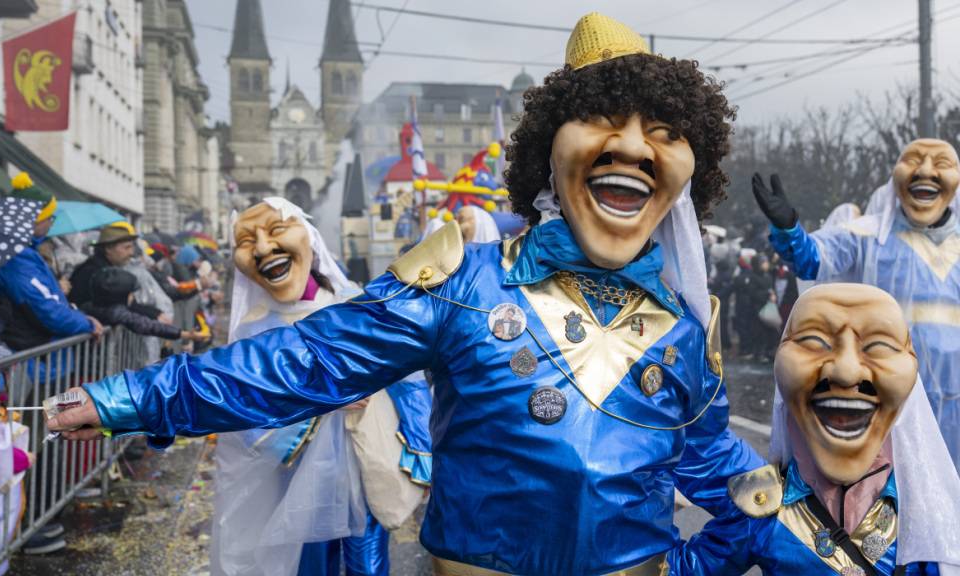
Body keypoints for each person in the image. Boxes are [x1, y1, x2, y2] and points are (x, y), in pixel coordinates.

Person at [48, 13, 762, 575]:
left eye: (663, 132)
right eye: (604, 124)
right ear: (550, 148)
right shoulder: (464, 281)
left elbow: (725, 476)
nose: (633, 148)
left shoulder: (679, 327)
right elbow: (308, 359)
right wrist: (131, 398)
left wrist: (803, 540)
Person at [670, 284, 960, 574]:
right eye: (813, 341)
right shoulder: (765, 509)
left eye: (879, 346)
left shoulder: (924, 512)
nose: (846, 372)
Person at [209, 198, 431, 576]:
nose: (263, 248)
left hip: (365, 464)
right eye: (247, 242)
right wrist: (320, 401)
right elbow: (246, 416)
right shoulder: (252, 331)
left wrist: (421, 447)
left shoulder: (354, 306)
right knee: (311, 562)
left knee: (368, 560)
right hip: (299, 479)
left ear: (309, 240)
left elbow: (405, 377)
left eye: (276, 231)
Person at [753, 139, 960, 470]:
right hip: (887, 392)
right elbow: (813, 259)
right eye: (914, 160)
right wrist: (789, 229)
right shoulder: (867, 237)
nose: (925, 171)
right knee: (892, 490)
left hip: (955, 406)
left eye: (942, 164)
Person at [0, 173, 102, 352]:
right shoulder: (16, 257)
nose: (51, 223)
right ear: (34, 220)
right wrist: (86, 323)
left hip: (38, 353)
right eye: (50, 217)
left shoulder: (24, 251)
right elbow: (46, 309)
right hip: (34, 355)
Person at [79, 268, 206, 343]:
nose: (133, 297)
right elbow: (147, 325)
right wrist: (184, 334)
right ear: (118, 296)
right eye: (129, 293)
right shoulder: (115, 312)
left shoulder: (89, 306)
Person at [69, 222, 139, 310]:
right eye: (126, 248)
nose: (131, 253)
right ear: (108, 248)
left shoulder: (106, 270)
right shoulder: (94, 273)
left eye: (132, 247)